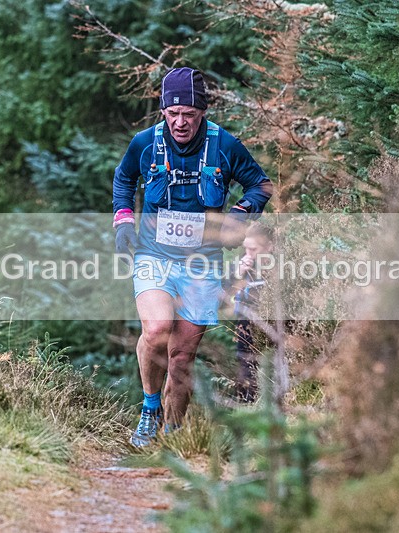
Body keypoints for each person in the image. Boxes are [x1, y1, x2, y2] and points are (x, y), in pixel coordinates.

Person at [112, 67, 272, 447]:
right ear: (163, 111)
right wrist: (123, 221)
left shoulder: (224, 145)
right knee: (155, 330)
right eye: (173, 113)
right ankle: (150, 410)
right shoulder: (145, 143)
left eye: (189, 114)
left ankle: (173, 435)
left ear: (202, 112)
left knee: (182, 358)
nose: (180, 122)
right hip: (154, 254)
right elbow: (123, 180)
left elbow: (260, 184)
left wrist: (239, 215)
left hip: (203, 263)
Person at [230, 222, 274, 403]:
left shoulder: (279, 266)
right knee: (245, 364)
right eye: (245, 249)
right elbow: (223, 295)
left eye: (253, 249)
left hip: (271, 325)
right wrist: (237, 274)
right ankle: (246, 406)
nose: (248, 255)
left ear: (269, 247)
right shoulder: (241, 266)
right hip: (245, 324)